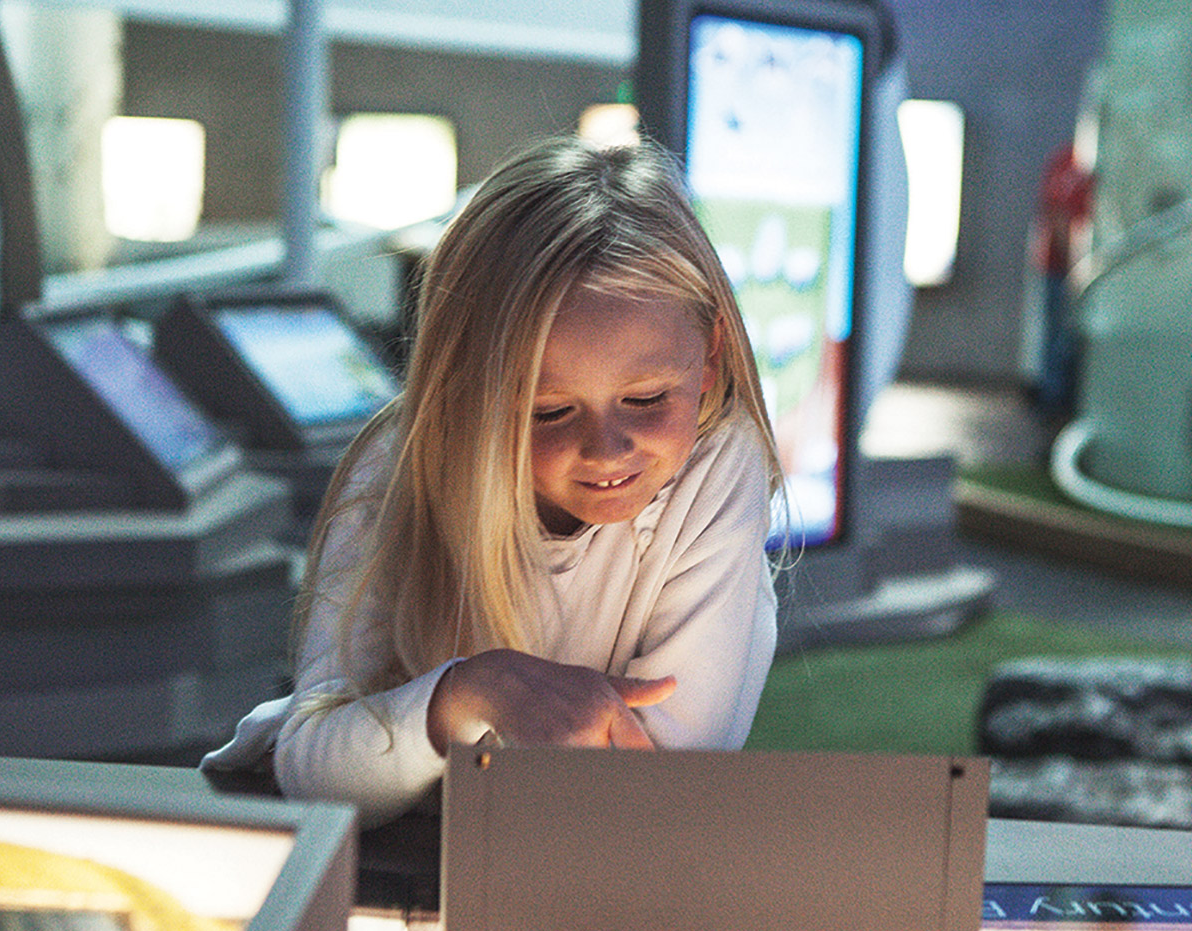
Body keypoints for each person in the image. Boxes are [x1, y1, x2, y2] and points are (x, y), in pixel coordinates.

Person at [202, 135, 784, 827]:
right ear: (468, 391)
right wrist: (469, 693)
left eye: (649, 399)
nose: (605, 450)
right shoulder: (401, 462)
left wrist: (397, 737)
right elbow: (312, 767)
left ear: (710, 356)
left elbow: (658, 782)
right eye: (550, 412)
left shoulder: (721, 465)